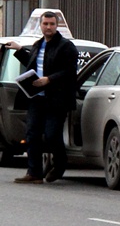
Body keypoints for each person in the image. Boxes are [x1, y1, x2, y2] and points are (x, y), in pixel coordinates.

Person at [5, 11, 79, 184]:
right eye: (45, 24)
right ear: (41, 25)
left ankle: (59, 166)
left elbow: (69, 72)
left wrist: (49, 79)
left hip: (56, 99)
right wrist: (20, 49)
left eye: (52, 24)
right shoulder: (38, 44)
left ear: (57, 25)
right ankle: (34, 173)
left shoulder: (66, 46)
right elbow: (32, 63)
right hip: (36, 98)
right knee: (32, 135)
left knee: (52, 135)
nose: (48, 27)